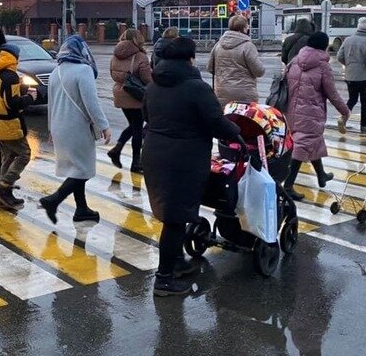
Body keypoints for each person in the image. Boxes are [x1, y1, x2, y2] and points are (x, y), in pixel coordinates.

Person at [142, 37, 240, 296]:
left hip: (154, 155)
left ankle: (176, 263)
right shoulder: (196, 87)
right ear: (189, 59)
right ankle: (164, 280)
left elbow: (146, 117)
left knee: (171, 212)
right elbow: (216, 122)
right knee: (175, 220)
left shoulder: (153, 85)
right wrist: (237, 133)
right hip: (184, 159)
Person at [40, 35, 112, 223]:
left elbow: (51, 103)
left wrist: (50, 129)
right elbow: (91, 102)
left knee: (76, 169)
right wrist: (104, 125)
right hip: (77, 128)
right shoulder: (83, 70)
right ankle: (53, 200)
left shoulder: (56, 71)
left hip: (59, 127)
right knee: (83, 169)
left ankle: (81, 209)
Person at [283, 32, 349, 201]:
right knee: (302, 146)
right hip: (311, 112)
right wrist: (345, 111)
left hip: (292, 111)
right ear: (324, 46)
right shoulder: (322, 66)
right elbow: (332, 93)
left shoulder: (295, 61)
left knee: (313, 141)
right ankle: (288, 186)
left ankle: (321, 175)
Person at [0, 34, 36, 208]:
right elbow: (13, 104)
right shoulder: (11, 76)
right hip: (9, 124)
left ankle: (5, 195)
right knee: (24, 154)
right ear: (12, 58)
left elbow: (1, 98)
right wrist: (29, 98)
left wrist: (20, 89)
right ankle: (4, 187)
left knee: (8, 156)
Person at [108, 29, 152, 173]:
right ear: (137, 39)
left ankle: (117, 149)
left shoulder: (115, 54)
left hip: (121, 93)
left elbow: (112, 74)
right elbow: (147, 79)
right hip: (136, 95)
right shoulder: (140, 56)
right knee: (137, 129)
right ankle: (136, 163)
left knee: (134, 125)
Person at [206, 15, 265, 108]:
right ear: (244, 28)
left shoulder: (218, 45)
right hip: (245, 95)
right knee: (245, 121)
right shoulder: (248, 46)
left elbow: (210, 68)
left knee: (226, 120)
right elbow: (259, 71)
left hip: (222, 94)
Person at [336, 17, 366, 135]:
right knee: (365, 102)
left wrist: (349, 65)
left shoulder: (348, 40)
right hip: (364, 76)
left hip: (350, 76)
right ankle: (364, 127)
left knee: (352, 99)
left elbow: (339, 56)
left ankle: (343, 118)